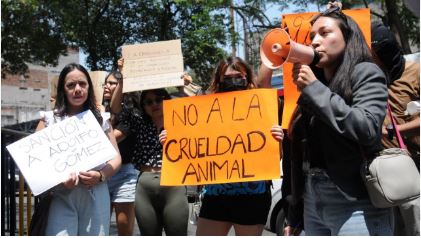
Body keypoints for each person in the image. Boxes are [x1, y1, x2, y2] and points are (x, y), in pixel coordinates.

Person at [282, 6, 393, 235]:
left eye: (324, 33)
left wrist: (314, 89)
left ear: (348, 37)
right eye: (312, 36)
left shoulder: (366, 72)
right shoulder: (317, 84)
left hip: (356, 201)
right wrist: (294, 213)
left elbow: (367, 128)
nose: (314, 42)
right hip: (313, 200)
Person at [160, 56, 284, 235]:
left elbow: (275, 156)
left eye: (238, 77)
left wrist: (277, 140)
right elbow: (192, 148)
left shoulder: (261, 108)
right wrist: (171, 140)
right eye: (227, 78)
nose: (233, 81)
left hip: (253, 195)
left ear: (247, 79)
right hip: (216, 195)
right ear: (219, 81)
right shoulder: (205, 110)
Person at [36, 63, 122, 235]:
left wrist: (100, 175)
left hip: (96, 195)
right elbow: (36, 164)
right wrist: (59, 179)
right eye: (71, 85)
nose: (77, 89)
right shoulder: (48, 120)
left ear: (89, 87)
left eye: (82, 84)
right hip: (60, 196)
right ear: (63, 89)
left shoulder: (101, 120)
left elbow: (116, 159)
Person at [110, 59, 189, 236]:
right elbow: (116, 108)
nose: (154, 104)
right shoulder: (139, 123)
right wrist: (122, 78)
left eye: (158, 99)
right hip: (144, 187)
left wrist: (183, 86)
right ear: (143, 106)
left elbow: (199, 111)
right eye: (148, 101)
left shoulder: (181, 120)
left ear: (166, 100)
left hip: (174, 185)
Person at [371, 22, 420, 236]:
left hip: (412, 169)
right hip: (378, 176)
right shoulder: (369, 78)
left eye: (377, 55)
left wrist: (395, 130)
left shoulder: (415, 72)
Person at [102, 70, 139, 236]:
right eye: (106, 83)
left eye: (113, 83)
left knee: (124, 224)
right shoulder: (98, 111)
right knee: (100, 224)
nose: (107, 86)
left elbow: (113, 138)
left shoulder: (131, 113)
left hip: (124, 173)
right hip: (102, 172)